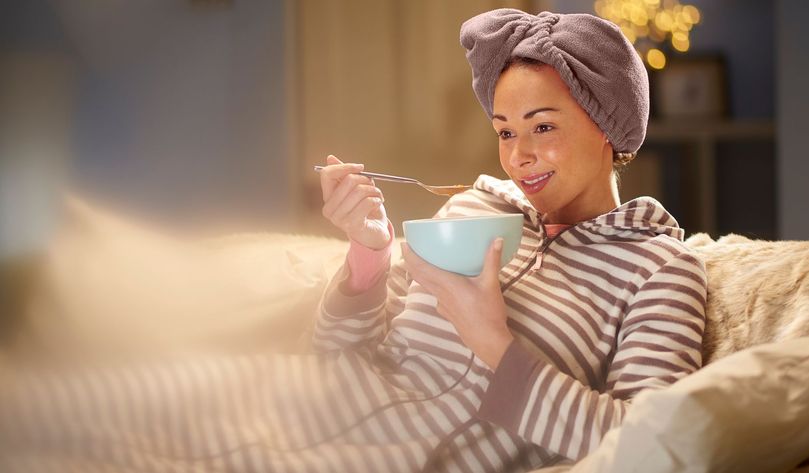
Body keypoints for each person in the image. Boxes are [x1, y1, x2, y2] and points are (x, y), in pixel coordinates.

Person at [0, 8, 705, 473]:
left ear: (611, 127)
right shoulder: (469, 207)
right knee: (35, 409)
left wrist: (495, 344)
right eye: (505, 130)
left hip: (376, 455)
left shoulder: (659, 268)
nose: (518, 155)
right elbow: (336, 349)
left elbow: (650, 447)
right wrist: (368, 257)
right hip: (277, 395)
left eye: (543, 126)